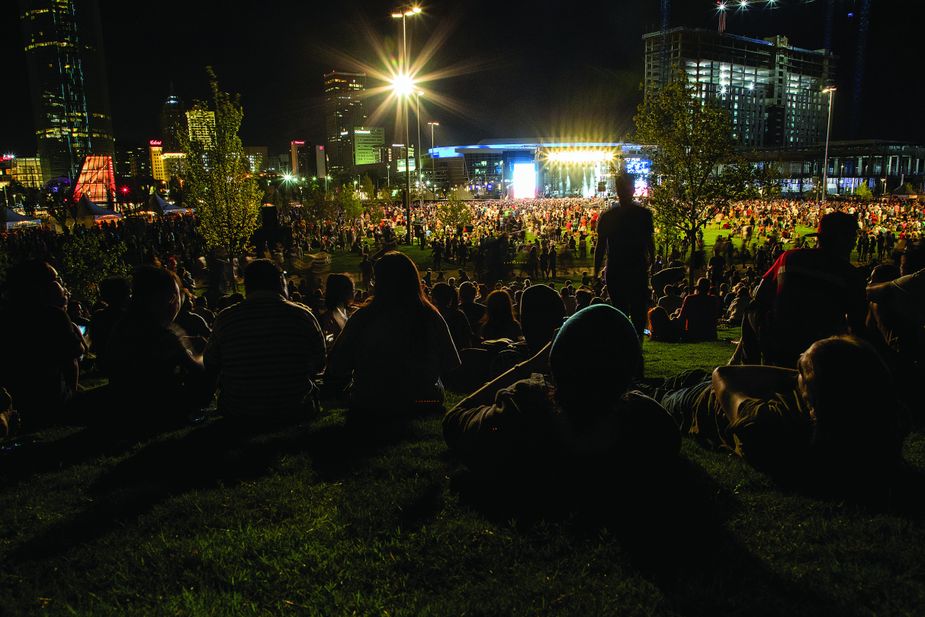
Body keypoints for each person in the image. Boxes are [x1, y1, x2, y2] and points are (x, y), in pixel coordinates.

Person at [443, 304, 680, 479]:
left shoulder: (520, 409)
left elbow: (454, 420)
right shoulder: (649, 426)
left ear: (555, 362)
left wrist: (528, 365)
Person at [658, 336, 906, 487]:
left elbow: (723, 374)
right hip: (720, 386)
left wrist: (801, 377)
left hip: (701, 402)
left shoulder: (768, 424)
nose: (797, 372)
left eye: (802, 369)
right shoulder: (873, 422)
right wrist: (810, 377)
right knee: (684, 377)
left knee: (657, 393)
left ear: (816, 389)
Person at [324, 251, 460, 419]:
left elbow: (337, 366)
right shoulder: (430, 315)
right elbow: (451, 362)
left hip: (371, 401)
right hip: (423, 400)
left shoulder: (362, 317)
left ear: (380, 283)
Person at [731, 212, 866, 368]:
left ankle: (748, 368)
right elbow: (858, 322)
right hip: (823, 348)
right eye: (852, 238)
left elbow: (761, 294)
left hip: (779, 343)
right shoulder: (851, 274)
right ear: (843, 240)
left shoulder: (789, 258)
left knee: (752, 309)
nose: (854, 243)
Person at [203, 260, 326, 423]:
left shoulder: (226, 319)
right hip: (294, 408)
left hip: (239, 412)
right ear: (281, 283)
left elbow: (211, 362)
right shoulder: (302, 316)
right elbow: (320, 362)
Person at [106, 266, 209, 432]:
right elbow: (198, 369)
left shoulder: (122, 326)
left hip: (124, 408)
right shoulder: (165, 333)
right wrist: (205, 351)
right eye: (177, 296)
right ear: (169, 298)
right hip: (157, 411)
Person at [0, 260, 85, 428]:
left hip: (18, 406)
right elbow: (73, 360)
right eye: (57, 280)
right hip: (53, 404)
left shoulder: (6, 318)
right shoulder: (54, 317)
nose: (61, 285)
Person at [594, 173, 655, 339]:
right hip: (637, 268)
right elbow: (650, 243)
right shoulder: (644, 214)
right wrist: (653, 264)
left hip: (616, 269)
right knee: (638, 311)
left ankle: (623, 347)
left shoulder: (607, 216)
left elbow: (600, 247)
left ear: (617, 190)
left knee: (620, 310)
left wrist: (595, 271)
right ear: (633, 189)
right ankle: (636, 347)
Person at [431, 282, 475, 350]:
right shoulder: (458, 314)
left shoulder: (431, 316)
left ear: (434, 298)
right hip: (460, 352)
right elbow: (467, 337)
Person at [676, 277, 720, 342]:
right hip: (709, 334)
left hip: (693, 333)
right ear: (708, 288)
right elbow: (715, 316)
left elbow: (683, 316)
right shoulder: (713, 300)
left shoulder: (690, 299)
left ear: (698, 288)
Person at [318, 273, 355, 344]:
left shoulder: (347, 313)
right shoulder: (329, 319)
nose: (354, 293)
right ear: (345, 292)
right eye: (352, 289)